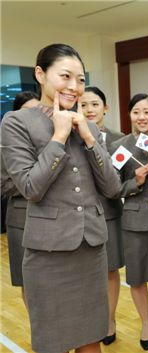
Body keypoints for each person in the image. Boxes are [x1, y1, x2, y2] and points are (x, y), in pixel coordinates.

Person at [1, 43, 121, 353]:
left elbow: (112, 188)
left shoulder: (89, 125)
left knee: (92, 339)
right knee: (52, 343)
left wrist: (89, 137)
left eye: (80, 79)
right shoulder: (16, 123)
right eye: (65, 76)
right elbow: (30, 187)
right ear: (40, 74)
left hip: (91, 249)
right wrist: (59, 136)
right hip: (48, 253)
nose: (74, 86)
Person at [110, 94, 148, 351]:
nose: (141, 117)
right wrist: (137, 183)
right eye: (136, 112)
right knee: (137, 277)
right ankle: (145, 322)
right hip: (132, 221)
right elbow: (113, 187)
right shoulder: (120, 147)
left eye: (147, 112)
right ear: (129, 115)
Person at [80, 86, 125, 345]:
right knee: (85, 272)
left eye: (95, 104)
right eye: (84, 105)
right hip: (81, 214)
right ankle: (89, 321)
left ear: (105, 108)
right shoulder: (69, 136)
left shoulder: (120, 140)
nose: (89, 110)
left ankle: (109, 320)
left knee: (110, 270)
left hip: (109, 212)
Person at [1, 91, 39, 307]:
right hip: (21, 220)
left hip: (52, 219)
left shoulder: (50, 140)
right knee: (28, 280)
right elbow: (4, 185)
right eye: (26, 112)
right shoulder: (6, 146)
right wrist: (34, 181)